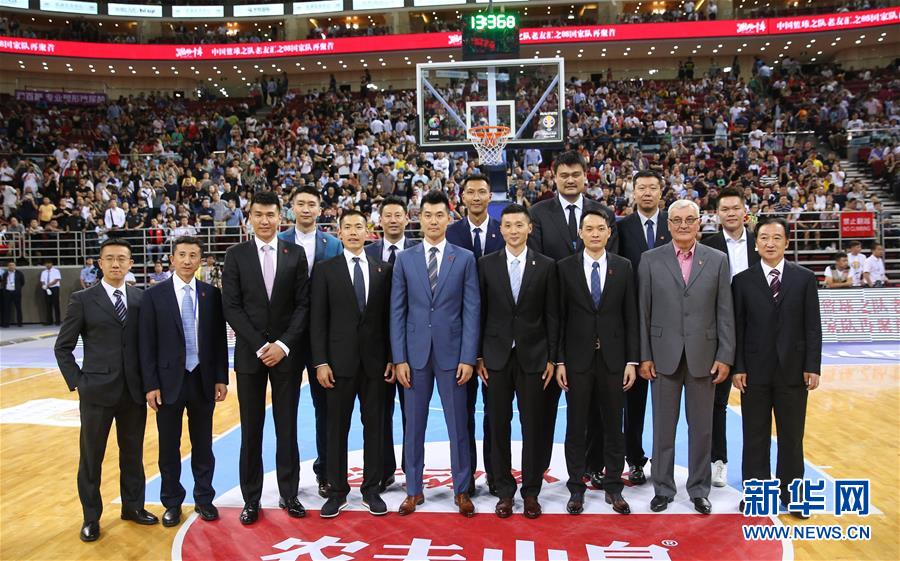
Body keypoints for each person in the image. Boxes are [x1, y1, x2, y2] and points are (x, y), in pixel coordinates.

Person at [54, 239, 158, 542]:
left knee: (133, 454)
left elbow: (149, 345)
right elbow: (63, 347)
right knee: (91, 457)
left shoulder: (141, 299)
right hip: (96, 392)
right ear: (100, 263)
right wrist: (78, 381)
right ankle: (91, 517)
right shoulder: (83, 299)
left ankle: (133, 507)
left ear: (130, 264)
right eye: (109, 258)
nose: (115, 264)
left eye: (122, 259)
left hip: (133, 392)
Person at [527, 150, 618, 483]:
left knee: (593, 408)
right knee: (544, 405)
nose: (569, 180)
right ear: (553, 177)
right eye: (563, 175)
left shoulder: (603, 214)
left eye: (575, 174)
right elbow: (535, 263)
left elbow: (612, 267)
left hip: (591, 325)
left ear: (585, 176)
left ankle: (592, 467)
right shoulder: (538, 213)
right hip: (548, 321)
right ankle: (537, 470)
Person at [638, 199, 734, 515]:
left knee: (702, 429)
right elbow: (643, 312)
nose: (683, 225)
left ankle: (699, 489)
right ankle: (663, 489)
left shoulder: (717, 260)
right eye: (677, 220)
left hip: (704, 357)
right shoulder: (650, 260)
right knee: (663, 429)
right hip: (662, 357)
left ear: (698, 223)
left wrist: (725, 355)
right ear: (668, 225)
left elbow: (725, 312)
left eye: (689, 220)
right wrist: (645, 355)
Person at [222, 191, 310, 525]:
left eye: (270, 214)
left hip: (286, 355)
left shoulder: (295, 254)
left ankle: (289, 494)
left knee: (287, 428)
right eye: (258, 214)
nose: (264, 220)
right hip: (251, 355)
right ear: (250, 218)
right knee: (251, 430)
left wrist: (283, 345)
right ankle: (251, 498)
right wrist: (261, 345)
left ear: (280, 217)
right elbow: (232, 307)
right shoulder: (236, 255)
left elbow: (303, 304)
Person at [390, 189, 480, 517]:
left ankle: (462, 489)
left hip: (453, 356)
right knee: (414, 427)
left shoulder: (464, 258)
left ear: (448, 218)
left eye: (439, 215)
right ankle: (413, 490)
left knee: (459, 426)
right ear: (420, 218)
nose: (433, 221)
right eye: (427, 215)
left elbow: (471, 311)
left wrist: (468, 357)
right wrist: (399, 358)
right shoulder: (405, 259)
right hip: (414, 357)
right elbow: (397, 312)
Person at [732, 216, 822, 518]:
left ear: (787, 242)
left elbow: (812, 326)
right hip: (754, 372)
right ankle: (756, 494)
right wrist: (738, 367)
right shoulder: (742, 281)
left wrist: (812, 366)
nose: (770, 243)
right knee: (754, 437)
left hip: (793, 371)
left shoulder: (804, 278)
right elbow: (738, 328)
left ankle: (793, 495)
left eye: (776, 238)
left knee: (792, 437)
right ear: (755, 244)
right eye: (764, 238)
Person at [139, 236, 229, 528]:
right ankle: (172, 502)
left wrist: (221, 377)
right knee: (169, 447)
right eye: (182, 255)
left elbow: (218, 339)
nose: (188, 260)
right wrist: (150, 385)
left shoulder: (211, 294)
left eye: (193, 255)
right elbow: (146, 344)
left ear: (200, 260)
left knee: (203, 445)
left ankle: (204, 498)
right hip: (167, 383)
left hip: (203, 379)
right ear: (172, 259)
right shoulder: (154, 296)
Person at [476, 204, 557, 519]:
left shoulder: (546, 265)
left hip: (534, 357)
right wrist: (479, 355)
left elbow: (552, 315)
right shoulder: (485, 264)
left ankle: (531, 491)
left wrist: (552, 357)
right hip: (496, 358)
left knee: (533, 426)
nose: (513, 230)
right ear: (500, 229)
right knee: (498, 425)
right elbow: (479, 313)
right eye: (507, 225)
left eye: (519, 225)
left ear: (529, 228)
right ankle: (504, 491)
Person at [311, 209, 394, 518]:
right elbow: (317, 320)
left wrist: (391, 357)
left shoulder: (383, 270)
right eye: (348, 227)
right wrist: (320, 362)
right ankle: (337, 491)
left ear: (367, 231)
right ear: (340, 232)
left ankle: (371, 490)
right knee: (336, 429)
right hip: (337, 365)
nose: (354, 232)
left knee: (374, 427)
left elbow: (389, 320)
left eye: (359, 226)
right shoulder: (325, 270)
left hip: (375, 365)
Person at [556, 209, 638, 516]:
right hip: (576, 360)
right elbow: (559, 318)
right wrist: (559, 360)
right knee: (576, 426)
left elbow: (631, 316)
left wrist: (631, 360)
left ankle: (614, 486)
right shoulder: (564, 267)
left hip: (614, 360)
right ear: (580, 233)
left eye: (600, 228)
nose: (594, 233)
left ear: (608, 232)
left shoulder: (623, 266)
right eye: (588, 228)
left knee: (614, 426)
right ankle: (576, 487)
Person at [277, 185, 343, 498]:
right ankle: (288, 481)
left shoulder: (333, 244)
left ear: (319, 209)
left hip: (323, 339)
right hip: (287, 338)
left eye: (311, 204)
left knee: (325, 408)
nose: (305, 209)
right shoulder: (278, 242)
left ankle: (326, 472)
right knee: (285, 410)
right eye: (300, 203)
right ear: (292, 208)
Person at [446, 174, 504, 496]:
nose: (477, 197)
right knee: (462, 413)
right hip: (458, 338)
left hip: (497, 335)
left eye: (483, 192)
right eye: (471, 192)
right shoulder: (450, 233)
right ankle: (465, 478)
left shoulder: (504, 230)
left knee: (495, 413)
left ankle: (495, 474)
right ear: (463, 197)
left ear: (490, 197)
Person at [613, 170, 671, 488]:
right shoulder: (621, 227)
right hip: (633, 324)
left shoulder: (674, 224)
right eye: (641, 188)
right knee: (632, 403)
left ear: (661, 191)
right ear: (633, 192)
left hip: (669, 325)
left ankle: (663, 463)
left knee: (667, 403)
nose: (647, 192)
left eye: (652, 187)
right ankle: (634, 460)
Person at [700, 186, 761, 488]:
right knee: (717, 403)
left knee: (757, 404)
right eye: (725, 209)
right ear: (717, 214)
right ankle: (718, 461)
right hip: (720, 334)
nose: (731, 213)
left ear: (744, 211)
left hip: (756, 334)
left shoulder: (760, 242)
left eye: (736, 208)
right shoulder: (707, 246)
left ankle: (756, 470)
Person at [365, 195, 420, 491]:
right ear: (380, 220)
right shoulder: (366, 252)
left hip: (411, 347)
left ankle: (411, 470)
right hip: (374, 349)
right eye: (388, 215)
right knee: (379, 413)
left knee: (412, 413)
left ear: (407, 218)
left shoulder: (419, 251)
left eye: (398, 215)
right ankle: (384, 470)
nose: (394, 220)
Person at [1, 261, 24, 327]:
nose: (11, 266)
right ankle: (6, 323)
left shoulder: (19, 273)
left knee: (18, 308)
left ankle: (20, 323)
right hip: (7, 293)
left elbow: (22, 282)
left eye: (12, 265)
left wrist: (18, 288)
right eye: (10, 265)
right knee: (7, 308)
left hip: (16, 293)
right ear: (8, 266)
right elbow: (3, 282)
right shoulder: (5, 274)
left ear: (15, 266)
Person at [40, 259, 62, 325]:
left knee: (56, 305)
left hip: (54, 288)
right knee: (48, 305)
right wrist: (44, 286)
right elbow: (42, 280)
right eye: (46, 263)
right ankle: (49, 321)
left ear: (51, 264)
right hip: (46, 289)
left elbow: (56, 280)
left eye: (49, 263)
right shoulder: (43, 272)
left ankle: (58, 321)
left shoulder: (56, 271)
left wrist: (48, 285)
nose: (48, 265)